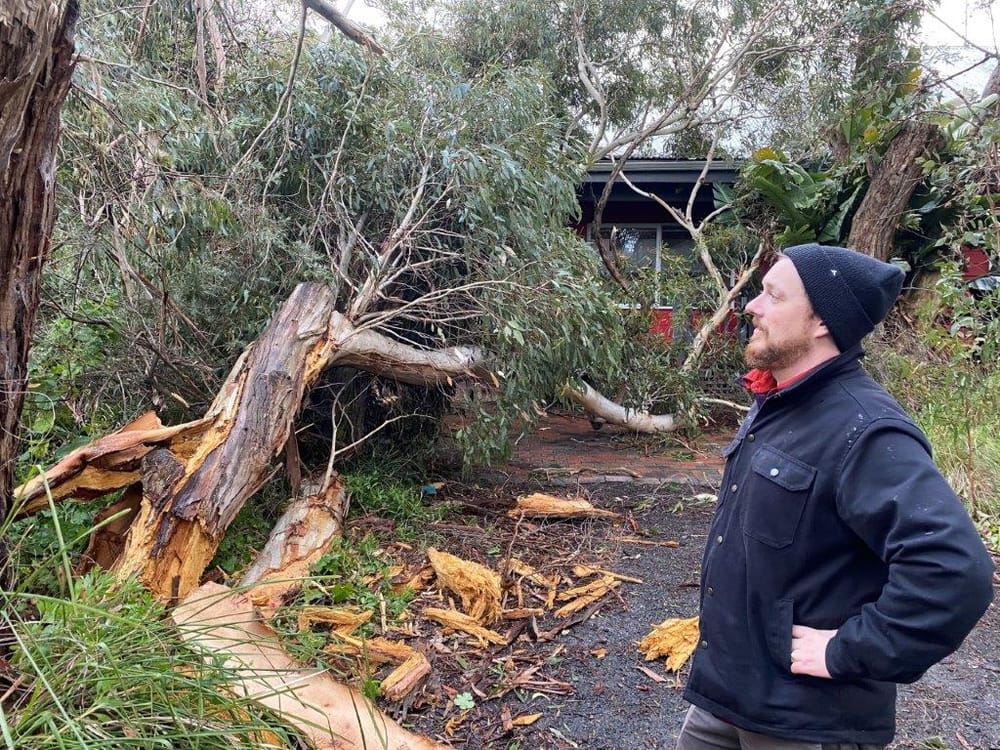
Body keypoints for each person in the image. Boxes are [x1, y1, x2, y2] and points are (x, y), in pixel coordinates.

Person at [676, 243, 995, 750]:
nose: (753, 307)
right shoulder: (779, 401)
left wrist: (848, 650)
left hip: (806, 721)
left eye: (773, 296)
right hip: (729, 694)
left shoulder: (865, 429)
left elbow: (955, 571)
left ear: (822, 321)